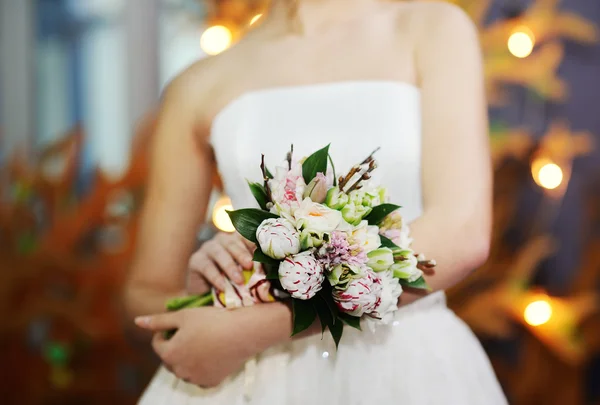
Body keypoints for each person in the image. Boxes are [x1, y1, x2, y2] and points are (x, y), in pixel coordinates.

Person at [124, 0, 508, 403]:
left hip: (401, 365)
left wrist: (253, 329)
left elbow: (462, 233)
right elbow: (143, 294)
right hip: (248, 383)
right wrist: (203, 297)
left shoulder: (432, 29)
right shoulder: (200, 82)